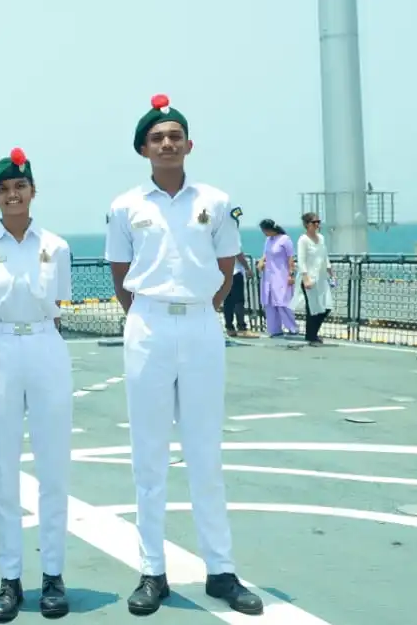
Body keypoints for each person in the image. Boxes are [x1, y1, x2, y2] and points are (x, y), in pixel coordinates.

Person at [104, 95, 263, 617]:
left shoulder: (215, 201)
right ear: (143, 149)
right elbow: (120, 277)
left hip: (200, 325)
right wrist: (151, 310)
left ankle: (221, 570)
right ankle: (153, 571)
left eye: (175, 135)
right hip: (147, 324)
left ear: (189, 144)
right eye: (157, 138)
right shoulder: (127, 206)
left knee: (204, 453)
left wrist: (202, 307)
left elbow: (224, 271)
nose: (167, 143)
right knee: (148, 457)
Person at [0, 147, 73, 622]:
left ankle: (52, 574)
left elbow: (60, 303)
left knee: (53, 468)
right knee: (2, 469)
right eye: (3, 190)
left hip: (47, 345)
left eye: (19, 187)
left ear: (33, 192)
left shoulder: (57, 245)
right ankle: (10, 577)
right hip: (1, 349)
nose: (12, 195)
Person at [295, 212, 334, 346]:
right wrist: (305, 278)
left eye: (318, 222)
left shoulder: (321, 238)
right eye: (314, 222)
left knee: (326, 307)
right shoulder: (303, 240)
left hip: (321, 278)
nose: (317, 224)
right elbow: (301, 260)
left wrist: (329, 269)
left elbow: (324, 255)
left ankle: (312, 334)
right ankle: (311, 336)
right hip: (309, 278)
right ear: (307, 224)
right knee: (313, 308)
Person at [257, 219, 298, 337]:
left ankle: (292, 328)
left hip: (281, 275)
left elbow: (291, 258)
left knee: (282, 302)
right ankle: (274, 329)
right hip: (269, 275)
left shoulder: (285, 239)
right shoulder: (268, 240)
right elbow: (265, 254)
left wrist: (291, 274)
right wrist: (261, 262)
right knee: (269, 302)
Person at [221, 206, 256, 339]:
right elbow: (239, 255)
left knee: (228, 301)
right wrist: (247, 268)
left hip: (223, 273)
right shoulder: (232, 236)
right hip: (235, 273)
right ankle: (242, 327)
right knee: (239, 301)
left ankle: (230, 327)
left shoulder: (218, 236)